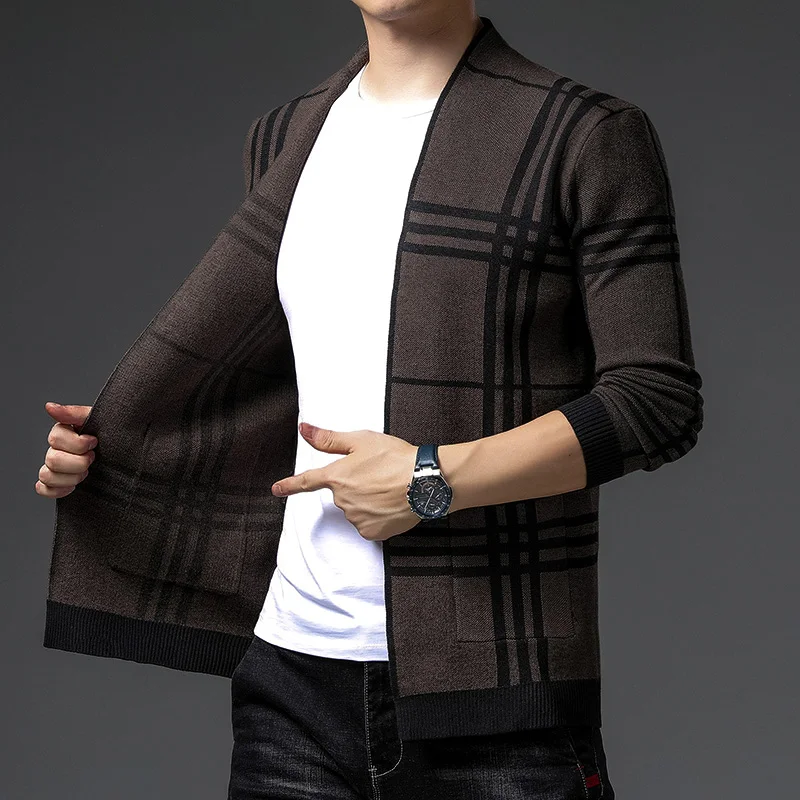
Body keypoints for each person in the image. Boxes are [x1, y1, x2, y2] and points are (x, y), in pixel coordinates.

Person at [36, 2, 703, 798]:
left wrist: (431, 480)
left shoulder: (586, 135)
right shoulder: (286, 135)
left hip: (494, 688)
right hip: (288, 682)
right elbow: (293, 385)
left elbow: (655, 401)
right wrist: (121, 447)